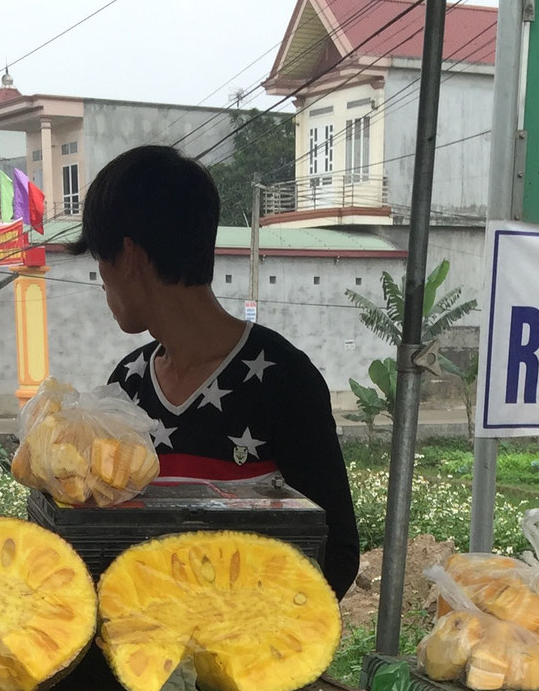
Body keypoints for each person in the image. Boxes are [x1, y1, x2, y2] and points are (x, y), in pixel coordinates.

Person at [76, 144, 360, 598]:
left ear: (129, 257)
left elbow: (336, 553)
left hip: (246, 659)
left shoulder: (283, 381)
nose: (102, 280)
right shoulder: (127, 385)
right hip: (144, 660)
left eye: (100, 260)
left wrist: (237, 641)